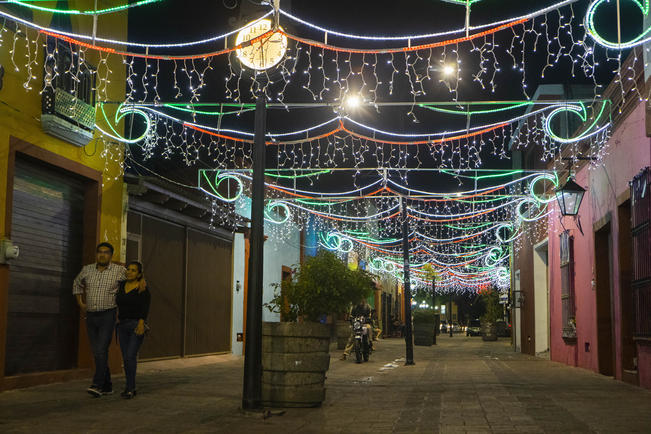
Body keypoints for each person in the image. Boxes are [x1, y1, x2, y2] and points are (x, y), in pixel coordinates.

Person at [72, 242, 145, 397]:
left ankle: (97, 384)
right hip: (91, 315)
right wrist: (80, 303)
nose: (102, 255)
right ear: (96, 254)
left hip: (108, 315)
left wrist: (143, 281)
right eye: (100, 252)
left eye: (106, 252)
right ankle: (107, 386)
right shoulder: (87, 269)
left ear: (111, 255)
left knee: (100, 349)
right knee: (97, 351)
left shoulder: (118, 271)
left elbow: (134, 276)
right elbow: (76, 284)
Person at [116, 261, 151, 399]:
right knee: (126, 358)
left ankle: (129, 388)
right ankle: (131, 386)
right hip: (122, 325)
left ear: (139, 274)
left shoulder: (143, 288)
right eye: (128, 269)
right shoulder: (122, 285)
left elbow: (145, 307)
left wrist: (142, 323)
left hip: (136, 325)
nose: (130, 272)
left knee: (130, 356)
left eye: (133, 270)